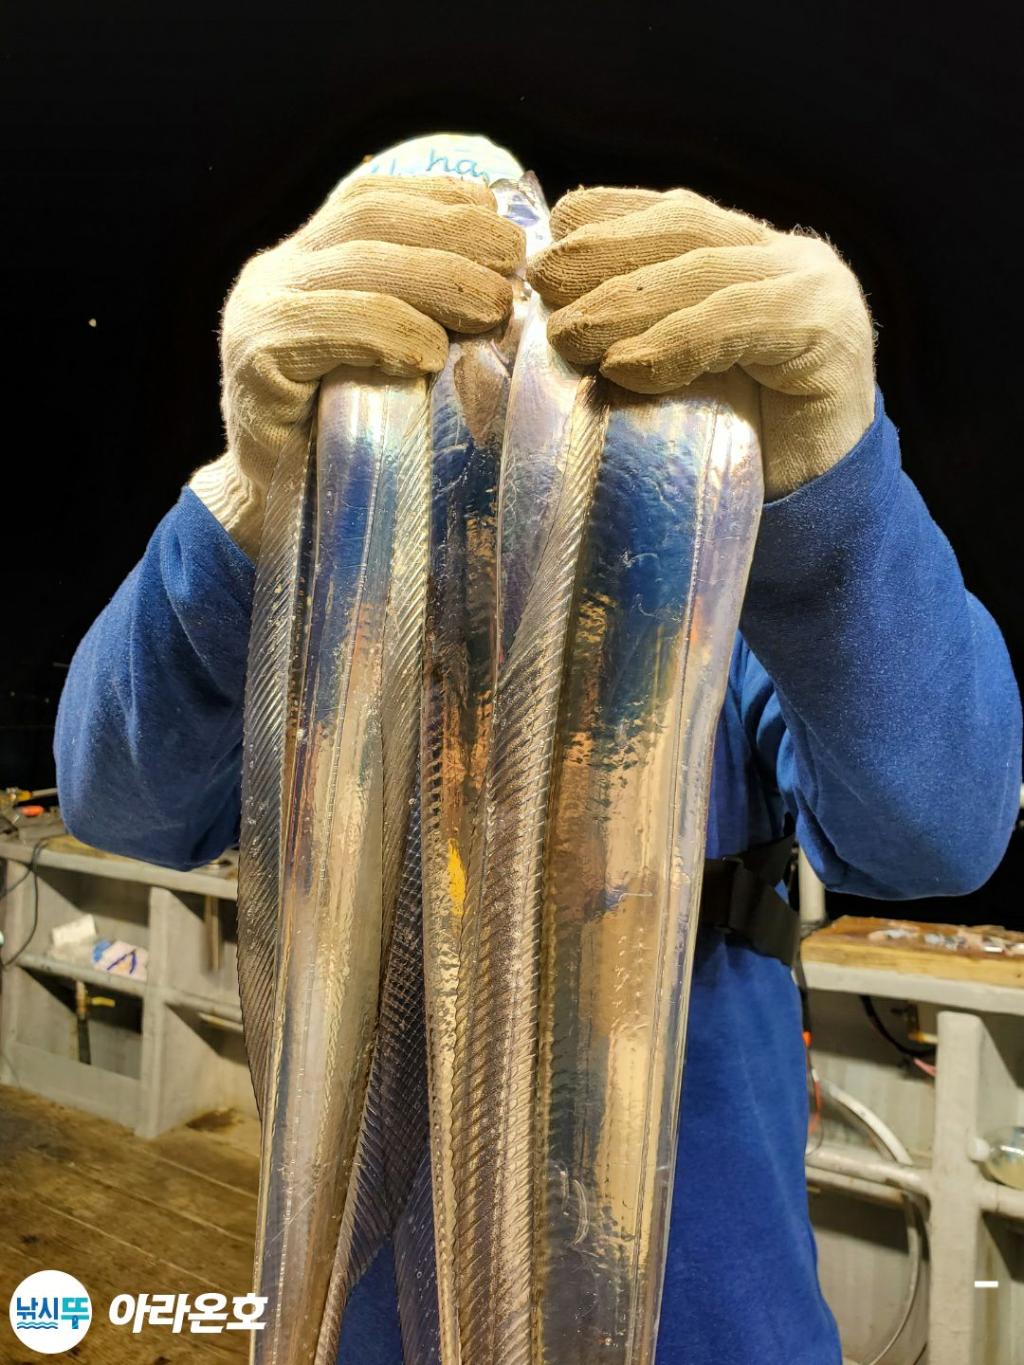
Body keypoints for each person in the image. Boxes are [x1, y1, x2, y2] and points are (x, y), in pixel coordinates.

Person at [55, 133, 1021, 1364]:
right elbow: (116, 801)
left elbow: (941, 828)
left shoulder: (703, 586)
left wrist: (831, 476)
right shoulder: (294, 608)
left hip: (706, 1325)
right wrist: (250, 493)